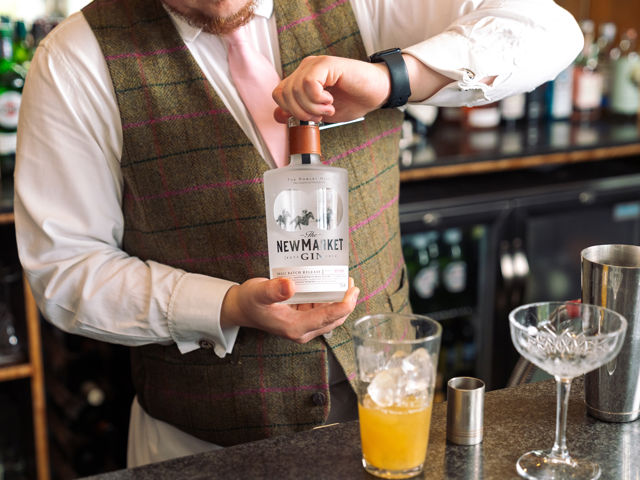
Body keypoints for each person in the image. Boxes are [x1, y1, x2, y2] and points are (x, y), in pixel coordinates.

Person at [14, 0, 583, 468]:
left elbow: (549, 29)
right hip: (199, 448)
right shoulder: (75, 59)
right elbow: (66, 271)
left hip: (390, 415)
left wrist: (393, 78)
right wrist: (226, 306)